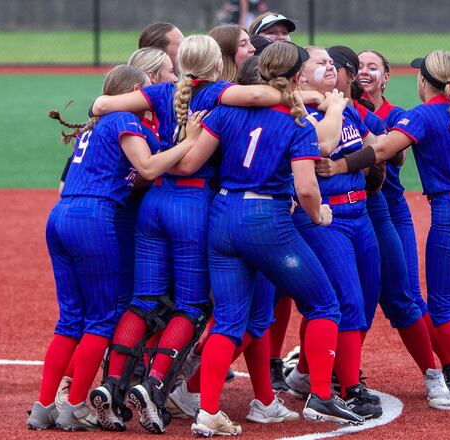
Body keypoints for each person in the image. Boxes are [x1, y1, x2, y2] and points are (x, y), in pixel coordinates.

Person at [87, 35, 313, 434]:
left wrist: (99, 104)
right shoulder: (222, 92)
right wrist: (320, 100)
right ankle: (154, 386)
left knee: (142, 301)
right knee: (190, 307)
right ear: (216, 65)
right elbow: (265, 96)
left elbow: (103, 105)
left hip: (154, 203)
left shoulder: (161, 91)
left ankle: (111, 385)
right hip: (193, 207)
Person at [316, 50, 450, 410]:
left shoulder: (422, 115)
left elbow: (386, 148)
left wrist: (339, 165)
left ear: (423, 81)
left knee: (443, 305)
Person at [173, 41, 364, 435]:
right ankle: (322, 397)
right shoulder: (295, 121)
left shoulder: (226, 111)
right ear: (295, 78)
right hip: (266, 221)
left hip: (223, 217)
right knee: (325, 304)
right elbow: (307, 188)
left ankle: (208, 411)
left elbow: (190, 162)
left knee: (227, 321)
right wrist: (319, 214)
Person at [25, 64, 205, 431]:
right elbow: (150, 167)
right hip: (93, 218)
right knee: (102, 318)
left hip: (61, 214)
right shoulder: (126, 121)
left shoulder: (94, 128)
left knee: (69, 319)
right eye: (152, 84)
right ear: (136, 89)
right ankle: (75, 406)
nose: (161, 87)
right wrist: (189, 142)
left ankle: (44, 405)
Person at [282, 46, 382, 420]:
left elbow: (379, 147)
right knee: (348, 300)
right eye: (319, 62)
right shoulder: (299, 111)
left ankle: (317, 373)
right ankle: (349, 387)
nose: (329, 67)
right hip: (326, 217)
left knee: (367, 299)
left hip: (360, 214)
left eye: (330, 62)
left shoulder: (346, 106)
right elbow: (319, 146)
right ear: (300, 75)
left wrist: (351, 162)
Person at [358, 49, 450, 390]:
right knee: (354, 294)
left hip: (389, 209)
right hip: (352, 210)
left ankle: (448, 366)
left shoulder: (397, 115)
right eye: (358, 66)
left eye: (373, 67)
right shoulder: (337, 110)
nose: (364, 71)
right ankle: (323, 372)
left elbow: (396, 157)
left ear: (386, 77)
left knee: (406, 296)